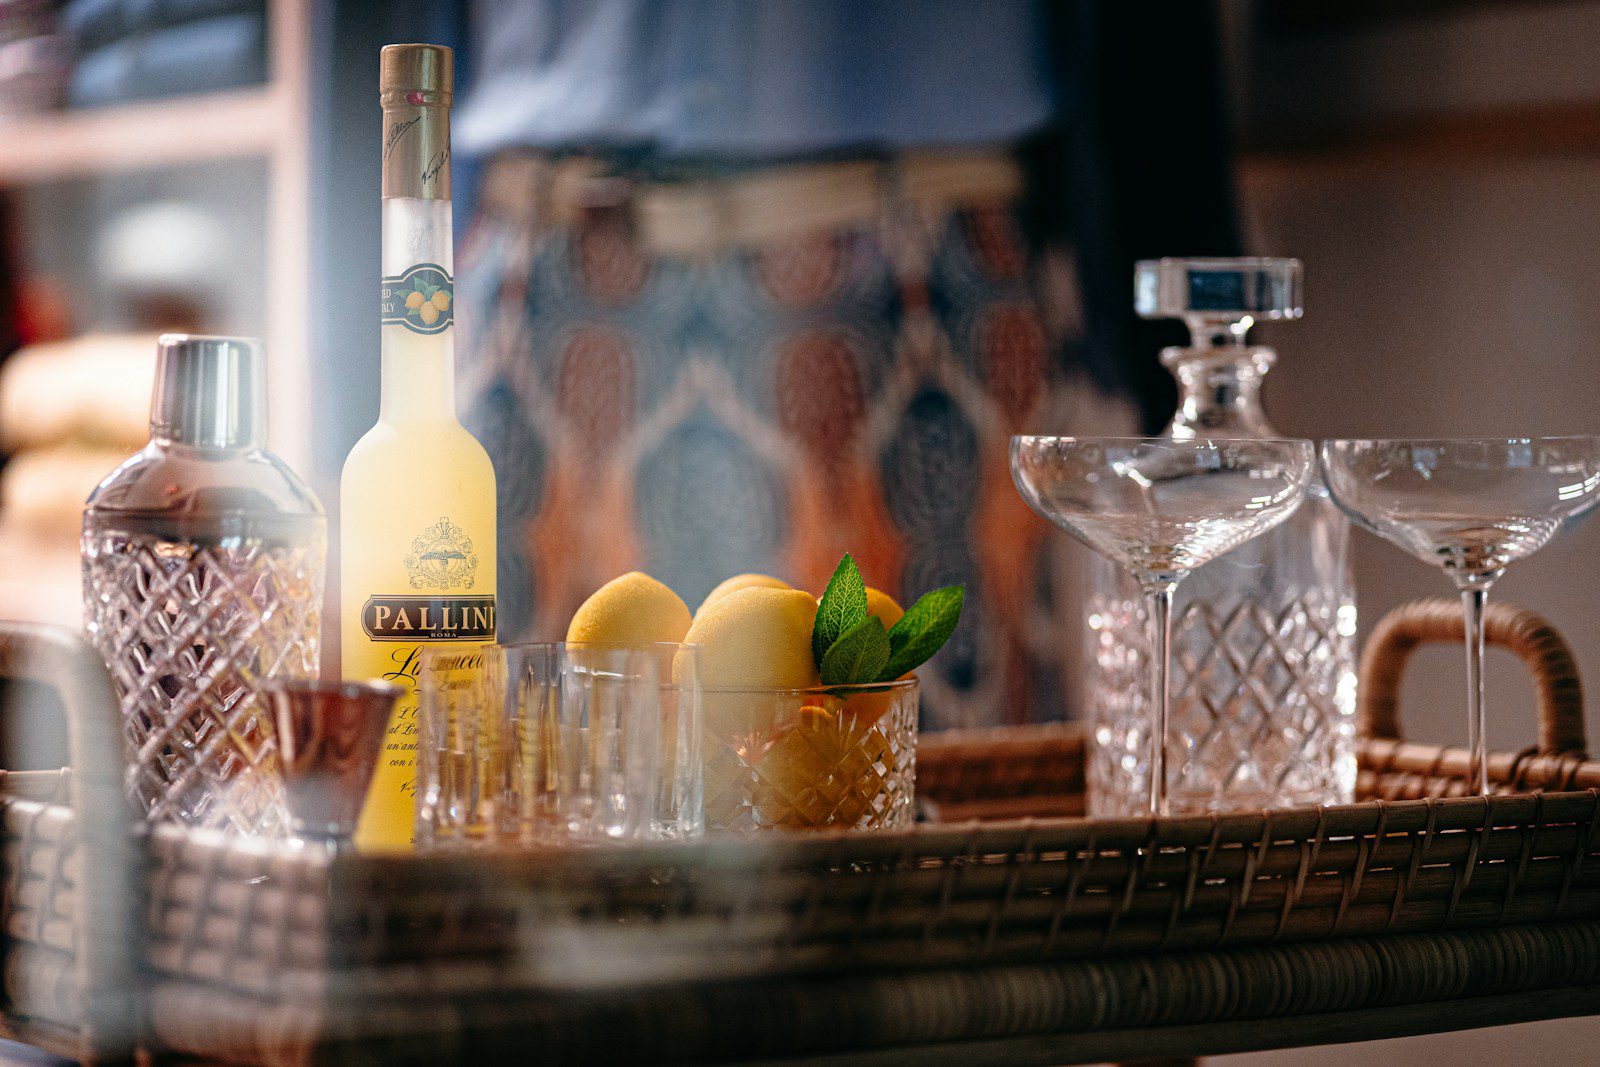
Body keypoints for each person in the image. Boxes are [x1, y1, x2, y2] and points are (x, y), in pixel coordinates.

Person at [451, 0, 1242, 729]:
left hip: (914, 272)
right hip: (537, 271)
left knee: (937, 808)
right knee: (531, 807)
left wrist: (1186, 370)